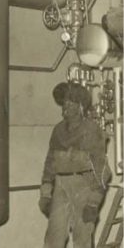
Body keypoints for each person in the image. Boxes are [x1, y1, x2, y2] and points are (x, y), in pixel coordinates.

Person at [39, 82, 111, 248]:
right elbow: (50, 162)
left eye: (71, 102)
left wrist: (94, 202)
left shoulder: (92, 130)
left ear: (80, 106)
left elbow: (101, 170)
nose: (66, 106)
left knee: (82, 239)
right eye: (64, 102)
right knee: (52, 239)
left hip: (85, 186)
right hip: (61, 186)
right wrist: (46, 192)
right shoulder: (58, 131)